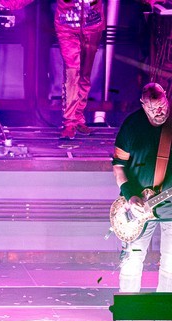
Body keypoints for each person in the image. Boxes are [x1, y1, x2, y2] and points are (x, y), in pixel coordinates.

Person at [114, 83, 172, 292]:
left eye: (162, 105)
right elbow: (118, 167)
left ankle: (164, 311)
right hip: (137, 209)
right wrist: (130, 196)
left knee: (170, 267)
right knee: (132, 262)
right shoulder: (132, 125)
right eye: (153, 108)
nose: (159, 112)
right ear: (142, 104)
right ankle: (128, 310)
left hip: (170, 209)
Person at [54, 0, 105, 139]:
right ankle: (69, 122)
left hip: (93, 26)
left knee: (84, 75)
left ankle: (77, 118)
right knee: (72, 74)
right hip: (67, 27)